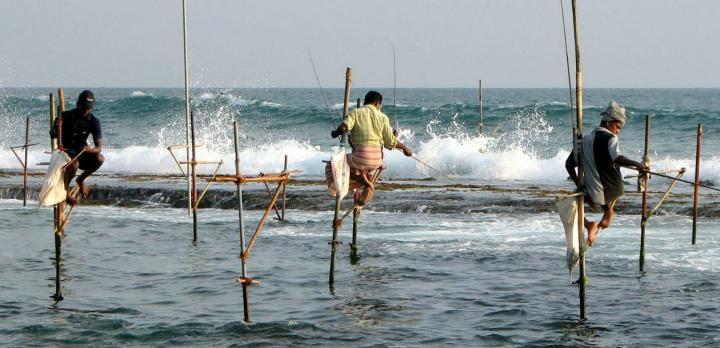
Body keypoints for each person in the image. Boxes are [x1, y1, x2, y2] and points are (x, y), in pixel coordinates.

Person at [565, 100, 647, 246]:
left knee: (569, 204)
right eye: (617, 126)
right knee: (611, 167)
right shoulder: (611, 138)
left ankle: (591, 222)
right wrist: (637, 164)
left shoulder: (584, 140)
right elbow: (618, 157)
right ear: (608, 122)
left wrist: (579, 183)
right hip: (613, 190)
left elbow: (569, 165)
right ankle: (607, 211)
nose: (618, 131)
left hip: (594, 194)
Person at [328, 90, 412, 204]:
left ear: (366, 102)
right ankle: (365, 188)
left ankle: (363, 181)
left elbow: (343, 128)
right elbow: (390, 142)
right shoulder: (383, 117)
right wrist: (405, 148)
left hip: (361, 158)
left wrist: (335, 133)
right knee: (362, 168)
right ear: (377, 103)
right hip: (377, 160)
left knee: (333, 164)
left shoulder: (357, 113)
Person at [50, 90, 104, 205]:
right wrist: (56, 127)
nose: (85, 111)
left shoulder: (94, 121)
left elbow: (99, 148)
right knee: (74, 164)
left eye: (88, 108)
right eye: (84, 107)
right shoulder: (64, 116)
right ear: (77, 104)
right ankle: (65, 191)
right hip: (64, 152)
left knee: (100, 159)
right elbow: (52, 135)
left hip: (81, 152)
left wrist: (89, 149)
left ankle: (81, 179)